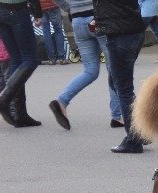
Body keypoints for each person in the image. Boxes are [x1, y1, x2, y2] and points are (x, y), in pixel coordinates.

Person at [48, 0, 123, 130]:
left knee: (90, 71)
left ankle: (62, 101)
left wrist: (71, 8)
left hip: (77, 21)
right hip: (99, 18)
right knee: (114, 70)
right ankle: (117, 116)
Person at [92, 0, 146, 153]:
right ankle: (141, 130)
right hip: (131, 29)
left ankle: (134, 139)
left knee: (123, 88)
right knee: (116, 83)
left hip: (120, 33)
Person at [0, 0, 43, 127]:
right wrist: (38, 13)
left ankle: (19, 113)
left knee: (16, 60)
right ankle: (4, 100)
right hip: (14, 8)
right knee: (30, 59)